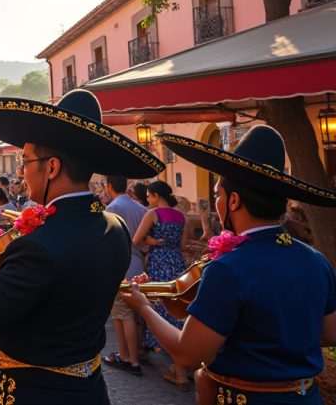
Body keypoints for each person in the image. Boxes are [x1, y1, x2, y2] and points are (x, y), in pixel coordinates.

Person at [0, 90, 163, 404]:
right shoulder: (115, 228)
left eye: (25, 161)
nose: (21, 172)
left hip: (38, 393)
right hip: (91, 388)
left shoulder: (38, 247)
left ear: (51, 168)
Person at [123, 125, 336, 405]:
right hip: (306, 397)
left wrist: (144, 308)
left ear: (233, 201)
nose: (218, 202)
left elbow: (189, 354)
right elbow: (329, 333)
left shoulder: (228, 267)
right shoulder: (316, 260)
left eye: (218, 196)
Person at [131, 180, 189, 390]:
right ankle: (181, 364)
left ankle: (179, 371)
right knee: (178, 310)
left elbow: (136, 239)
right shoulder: (181, 216)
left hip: (158, 263)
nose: (148, 200)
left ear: (156, 195)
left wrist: (151, 241)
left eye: (149, 196)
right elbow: (183, 245)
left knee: (160, 311)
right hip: (177, 264)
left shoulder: (153, 214)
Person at [102, 175, 147, 376]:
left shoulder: (111, 209)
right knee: (134, 313)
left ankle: (129, 358)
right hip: (138, 263)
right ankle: (136, 351)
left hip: (121, 265)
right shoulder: (141, 208)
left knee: (123, 314)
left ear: (109, 186)